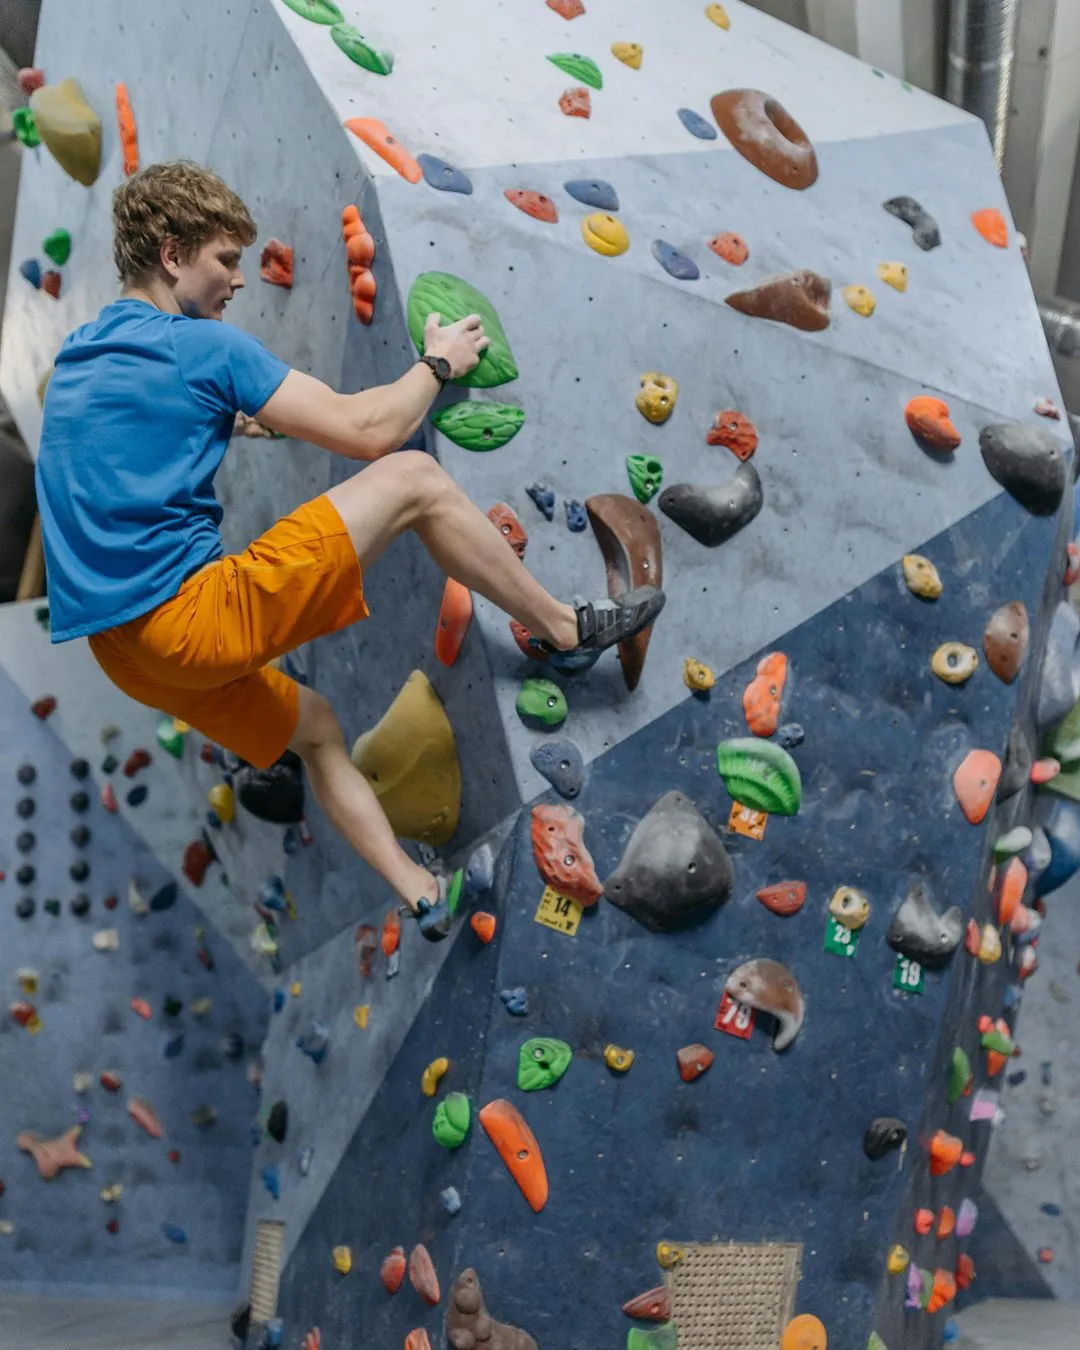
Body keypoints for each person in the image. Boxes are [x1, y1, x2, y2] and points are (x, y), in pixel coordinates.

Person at [35, 161, 665, 939]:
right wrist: (438, 366)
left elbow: (115, 445)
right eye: (225, 261)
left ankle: (420, 894)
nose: (238, 282)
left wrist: (221, 420)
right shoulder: (202, 349)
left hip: (125, 654)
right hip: (190, 619)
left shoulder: (82, 358)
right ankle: (566, 632)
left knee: (318, 728)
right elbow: (371, 430)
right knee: (415, 480)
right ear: (171, 254)